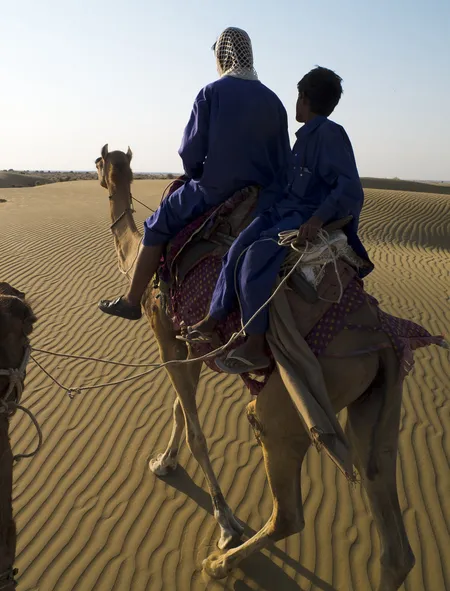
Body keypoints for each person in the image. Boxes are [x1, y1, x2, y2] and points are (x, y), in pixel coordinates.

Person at [186, 66, 374, 373]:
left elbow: (349, 186)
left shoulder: (329, 134)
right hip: (280, 212)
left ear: (304, 99)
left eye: (298, 97)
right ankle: (214, 318)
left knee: (255, 261)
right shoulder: (302, 140)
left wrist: (317, 219)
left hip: (300, 217)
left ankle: (255, 344)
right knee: (237, 247)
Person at [98, 26, 290, 320]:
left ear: (223, 57)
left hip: (215, 189)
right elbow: (282, 157)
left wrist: (197, 173)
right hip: (264, 196)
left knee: (156, 225)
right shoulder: (273, 100)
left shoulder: (211, 93)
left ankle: (132, 300)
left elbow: (190, 152)